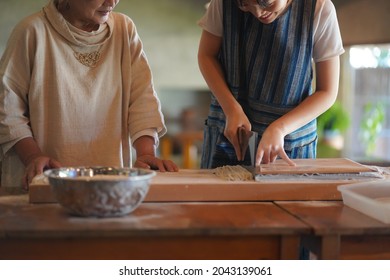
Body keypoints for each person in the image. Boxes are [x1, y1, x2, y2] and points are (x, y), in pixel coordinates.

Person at [0, 0, 178, 189]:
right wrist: (32, 156)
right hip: (42, 179)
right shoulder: (33, 31)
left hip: (110, 181)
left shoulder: (124, 29)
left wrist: (145, 153)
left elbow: (142, 98)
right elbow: (7, 106)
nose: (111, 2)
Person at [197, 0, 344, 169]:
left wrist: (280, 128)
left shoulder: (319, 9)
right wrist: (231, 109)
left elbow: (327, 92)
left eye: (265, 2)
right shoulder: (223, 3)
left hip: (290, 143)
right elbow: (206, 55)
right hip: (228, 134)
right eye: (245, 5)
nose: (258, 12)